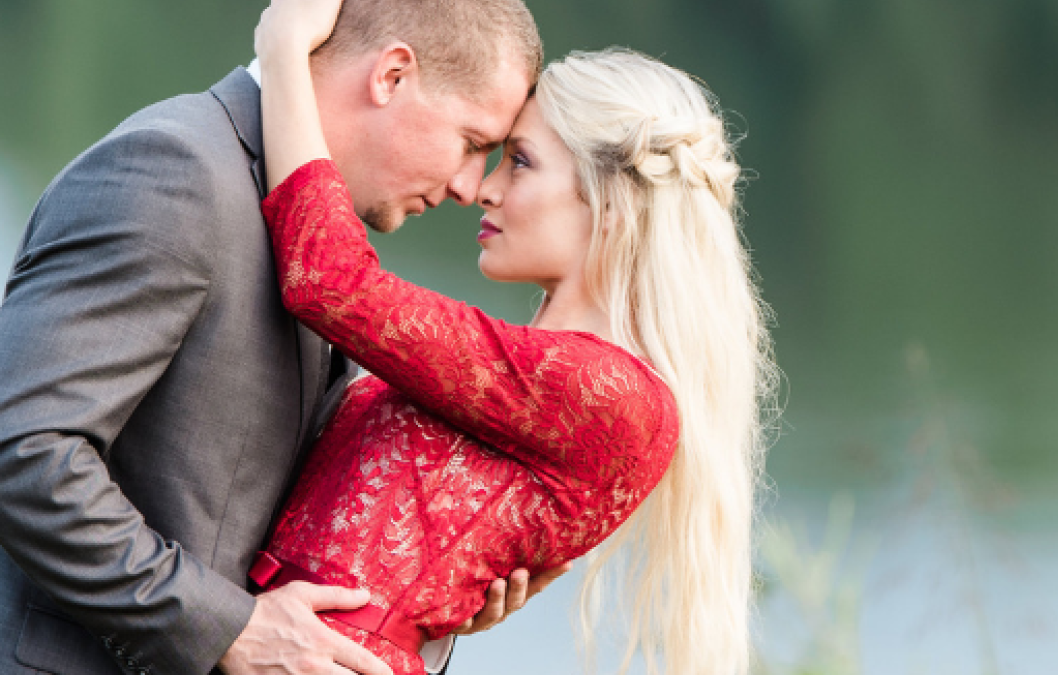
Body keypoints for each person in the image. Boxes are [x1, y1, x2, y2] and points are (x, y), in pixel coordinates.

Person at [0, 1, 566, 673]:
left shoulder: (323, 229)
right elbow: (27, 449)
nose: (470, 188)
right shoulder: (178, 170)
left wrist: (425, 584)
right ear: (391, 75)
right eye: (473, 143)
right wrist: (227, 630)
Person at [249, 1, 778, 673]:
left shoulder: (611, 394)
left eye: (519, 162)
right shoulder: (536, 374)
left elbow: (329, 281)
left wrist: (284, 51)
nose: (481, 189)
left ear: (609, 202)